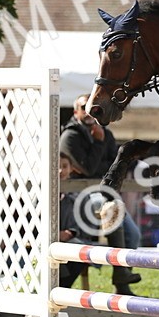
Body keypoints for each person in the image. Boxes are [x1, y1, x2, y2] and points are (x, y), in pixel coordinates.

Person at [59, 94, 142, 295]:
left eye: (90, 106)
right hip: (79, 196)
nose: (87, 111)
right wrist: (98, 145)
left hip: (104, 192)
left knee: (133, 235)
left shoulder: (105, 133)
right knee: (111, 213)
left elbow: (115, 166)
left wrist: (99, 162)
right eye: (82, 107)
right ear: (75, 111)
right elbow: (88, 170)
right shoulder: (70, 136)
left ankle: (122, 283)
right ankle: (121, 275)